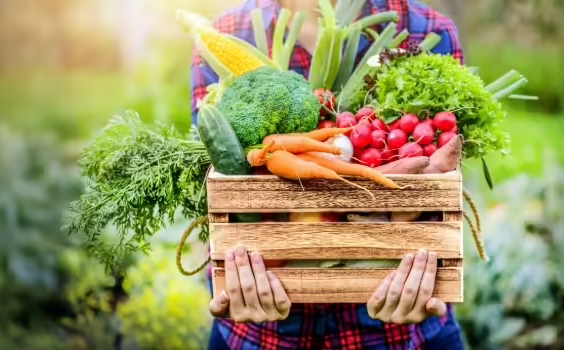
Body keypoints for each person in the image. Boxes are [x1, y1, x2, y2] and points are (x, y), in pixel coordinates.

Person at [190, 1, 465, 349]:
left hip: (404, 337)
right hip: (260, 339)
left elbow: (445, 193)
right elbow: (214, 190)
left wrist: (429, 272)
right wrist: (231, 279)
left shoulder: (430, 30)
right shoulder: (224, 33)